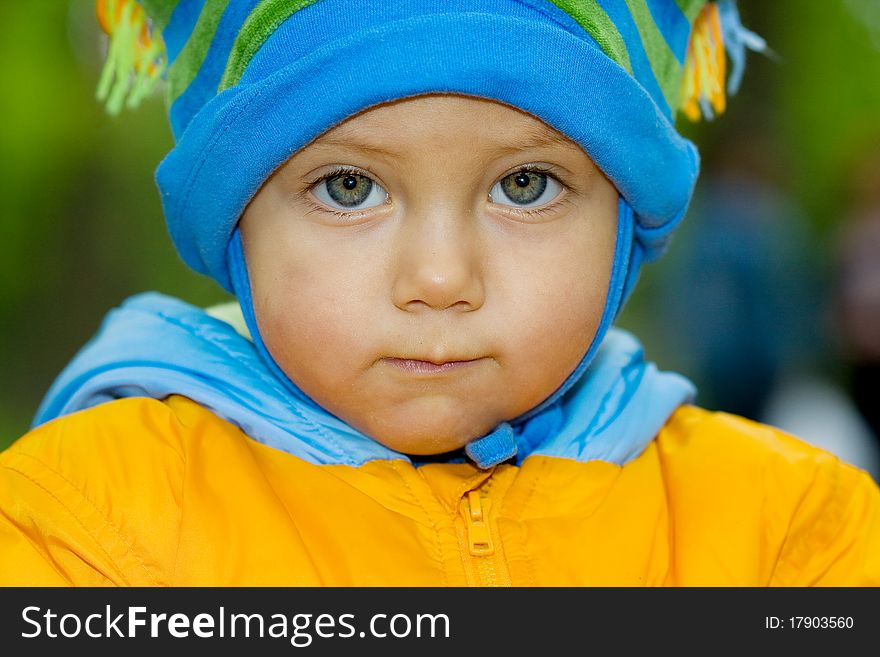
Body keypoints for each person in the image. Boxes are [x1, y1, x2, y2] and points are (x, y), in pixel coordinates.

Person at [1, 0, 878, 586]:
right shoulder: (86, 520)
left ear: (624, 224)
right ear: (237, 229)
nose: (440, 278)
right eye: (349, 188)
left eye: (526, 186)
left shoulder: (787, 534)